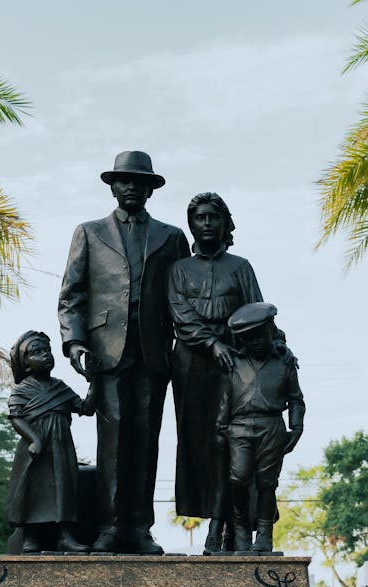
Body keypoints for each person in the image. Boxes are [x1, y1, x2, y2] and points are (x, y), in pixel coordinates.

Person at [58, 150, 190, 554]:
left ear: (150, 189)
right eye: (124, 180)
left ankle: (140, 528)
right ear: (113, 187)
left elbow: (184, 296)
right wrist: (75, 341)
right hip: (107, 354)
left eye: (139, 181)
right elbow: (71, 295)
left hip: (154, 354)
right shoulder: (90, 232)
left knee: (146, 442)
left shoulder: (171, 237)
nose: (131, 186)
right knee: (112, 442)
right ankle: (111, 527)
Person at [167, 192, 263, 553]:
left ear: (225, 223)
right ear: (191, 225)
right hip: (191, 362)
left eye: (213, 218)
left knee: (232, 443)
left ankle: (227, 526)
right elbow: (181, 315)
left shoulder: (241, 267)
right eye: (200, 218)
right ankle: (208, 516)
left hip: (235, 364)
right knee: (197, 444)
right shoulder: (178, 269)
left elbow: (256, 312)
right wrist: (212, 344)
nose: (206, 224)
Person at [216, 302, 305, 553]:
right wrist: (220, 428)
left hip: (271, 426)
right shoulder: (234, 363)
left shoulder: (284, 363)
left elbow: (296, 398)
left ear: (270, 331)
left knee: (268, 482)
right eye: (248, 337)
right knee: (238, 478)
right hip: (239, 428)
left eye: (260, 335)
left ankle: (265, 535)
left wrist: (296, 428)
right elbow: (225, 398)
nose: (255, 341)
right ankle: (241, 530)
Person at [6, 330, 93, 554]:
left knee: (65, 488)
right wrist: (34, 439)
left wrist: (96, 380)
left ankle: (66, 536)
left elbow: (85, 408)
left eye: (47, 350)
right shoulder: (21, 390)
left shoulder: (59, 387)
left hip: (61, 447)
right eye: (37, 352)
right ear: (25, 364)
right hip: (35, 449)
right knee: (32, 489)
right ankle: (30, 538)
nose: (45, 355)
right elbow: (16, 418)